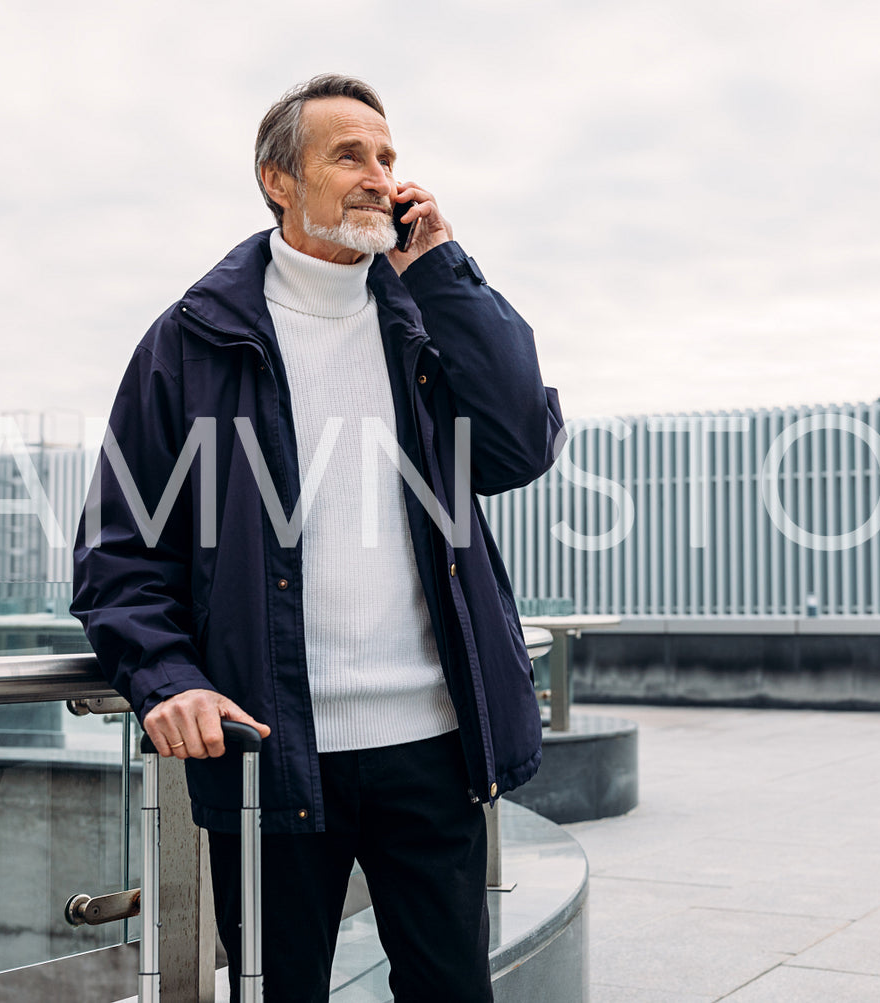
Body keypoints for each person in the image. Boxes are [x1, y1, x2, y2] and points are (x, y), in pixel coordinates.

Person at [70, 73, 563, 1001]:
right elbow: (119, 551)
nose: (379, 176)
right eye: (349, 155)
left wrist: (448, 271)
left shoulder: (425, 318)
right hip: (271, 750)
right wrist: (168, 679)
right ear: (277, 180)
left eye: (388, 157)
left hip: (434, 741)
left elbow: (519, 443)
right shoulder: (192, 341)